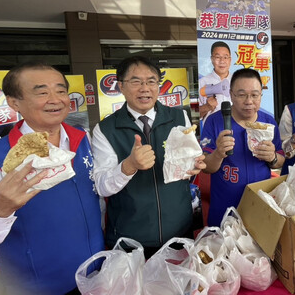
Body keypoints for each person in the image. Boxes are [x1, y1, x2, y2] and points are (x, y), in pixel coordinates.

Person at [0, 62, 104, 295]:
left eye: (60, 90)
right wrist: (0, 211)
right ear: (14, 102)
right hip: (38, 286)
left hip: (94, 276)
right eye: (42, 92)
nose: (55, 99)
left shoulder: (82, 138)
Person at [92, 56, 206, 259]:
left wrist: (195, 163)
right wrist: (129, 165)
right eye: (136, 81)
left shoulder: (179, 116)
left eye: (151, 81)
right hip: (131, 239)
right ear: (121, 86)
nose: (145, 88)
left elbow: (190, 157)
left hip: (179, 230)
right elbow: (101, 186)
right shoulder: (105, 129)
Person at [201, 68, 284, 226]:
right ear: (231, 95)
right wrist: (218, 153)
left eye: (254, 95)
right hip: (224, 208)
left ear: (261, 95)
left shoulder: (269, 122)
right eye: (241, 94)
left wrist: (272, 157)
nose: (249, 101)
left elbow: (280, 161)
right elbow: (206, 167)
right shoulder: (214, 121)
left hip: (259, 205)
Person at [198, 41, 233, 122]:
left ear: (230, 60)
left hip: (236, 129)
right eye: (218, 57)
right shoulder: (202, 82)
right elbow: (195, 115)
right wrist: (207, 107)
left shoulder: (238, 81)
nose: (222, 61)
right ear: (212, 59)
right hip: (212, 130)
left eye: (225, 57)